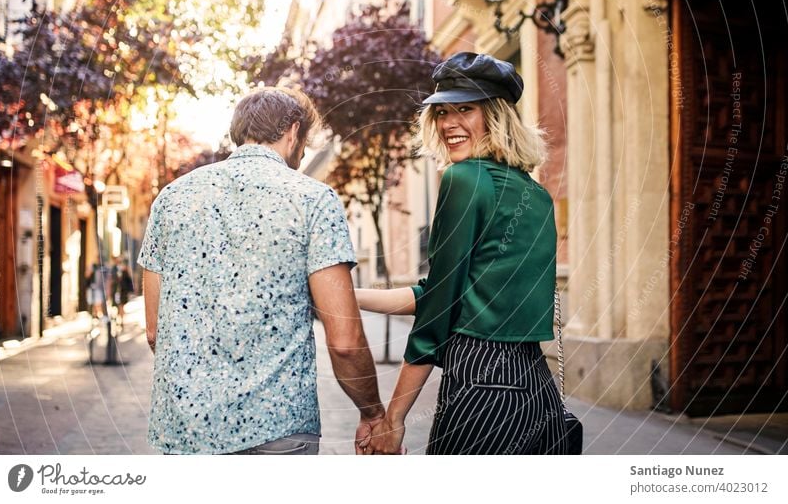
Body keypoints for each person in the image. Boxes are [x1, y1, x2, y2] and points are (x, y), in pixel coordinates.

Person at [138, 86, 385, 455]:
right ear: (293, 132)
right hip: (279, 427)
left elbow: (156, 331)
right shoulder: (313, 199)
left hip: (187, 428)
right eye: (304, 143)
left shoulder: (172, 199)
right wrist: (373, 413)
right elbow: (345, 341)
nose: (303, 155)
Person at [356, 52, 567, 455]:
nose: (449, 123)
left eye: (465, 110)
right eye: (442, 112)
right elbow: (442, 292)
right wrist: (344, 298)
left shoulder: (464, 178)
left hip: (480, 385)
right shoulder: (537, 195)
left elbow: (438, 311)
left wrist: (394, 419)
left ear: (496, 116)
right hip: (537, 391)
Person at [111, 257, 134, 327]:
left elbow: (129, 281)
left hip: (123, 291)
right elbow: (111, 280)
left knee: (121, 305)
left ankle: (121, 320)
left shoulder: (125, 270)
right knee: (118, 305)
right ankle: (119, 318)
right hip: (116, 291)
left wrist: (130, 290)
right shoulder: (114, 269)